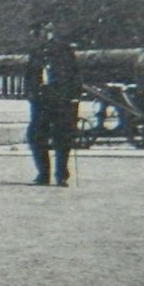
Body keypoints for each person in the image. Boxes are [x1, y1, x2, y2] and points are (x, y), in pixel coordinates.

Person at [25, 18, 83, 187]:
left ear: (48, 31)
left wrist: (74, 97)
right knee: (36, 136)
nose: (38, 35)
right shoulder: (35, 52)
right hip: (41, 99)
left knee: (63, 137)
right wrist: (30, 93)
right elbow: (29, 75)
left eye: (41, 31)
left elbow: (75, 75)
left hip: (61, 99)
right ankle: (43, 173)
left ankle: (61, 174)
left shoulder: (64, 50)